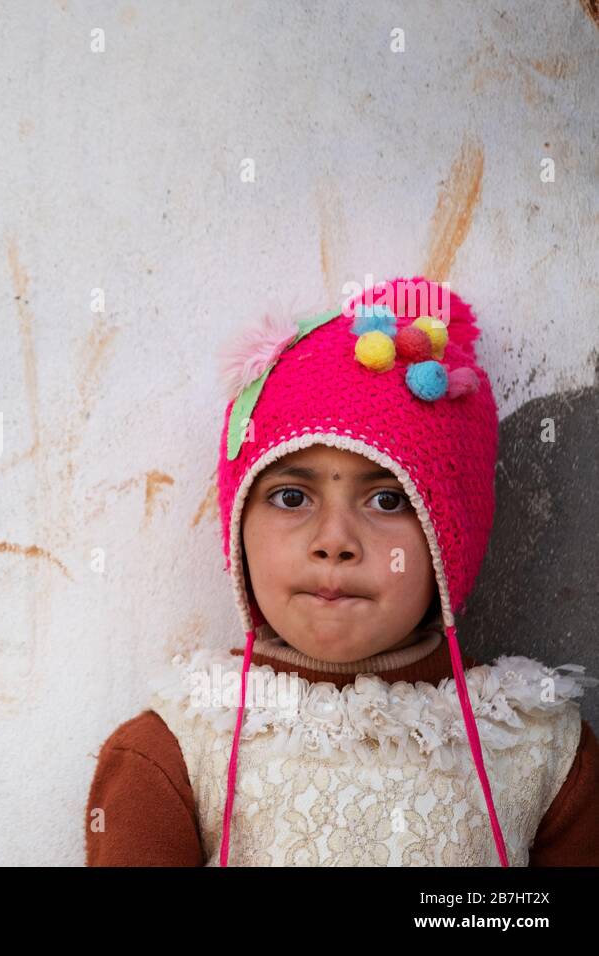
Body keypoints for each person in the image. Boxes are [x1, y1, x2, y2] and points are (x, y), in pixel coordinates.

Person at [85, 276, 599, 866]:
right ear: (239, 527)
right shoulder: (172, 755)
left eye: (387, 500)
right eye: (290, 497)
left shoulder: (539, 754)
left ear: (452, 538)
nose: (334, 543)